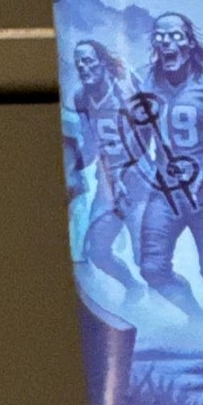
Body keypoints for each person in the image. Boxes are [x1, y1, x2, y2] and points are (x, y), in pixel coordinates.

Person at [131, 12, 203, 324]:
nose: (167, 42)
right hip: (165, 190)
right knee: (152, 268)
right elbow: (138, 134)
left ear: (190, 43)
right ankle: (198, 317)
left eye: (175, 35)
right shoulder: (143, 80)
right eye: (160, 36)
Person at [68, 39, 143, 302]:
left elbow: (145, 135)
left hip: (138, 181)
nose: (83, 67)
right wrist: (72, 165)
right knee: (97, 251)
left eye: (88, 60)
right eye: (78, 63)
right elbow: (91, 144)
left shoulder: (124, 89)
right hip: (107, 184)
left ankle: (175, 311)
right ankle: (133, 287)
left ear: (102, 62)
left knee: (146, 258)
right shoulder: (80, 97)